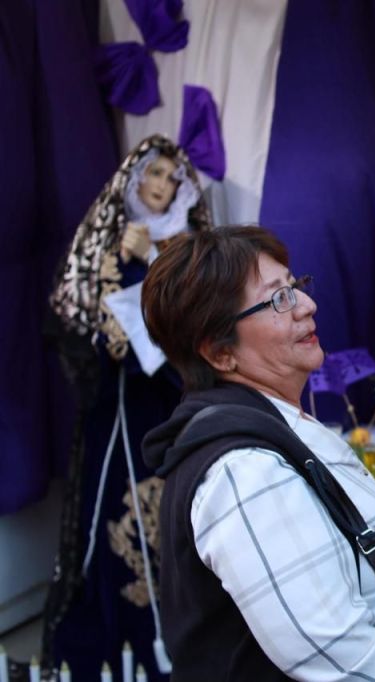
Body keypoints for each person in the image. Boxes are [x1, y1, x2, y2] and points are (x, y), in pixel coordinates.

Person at [139, 226, 375, 681]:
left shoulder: (276, 424)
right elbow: (340, 652)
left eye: (294, 287)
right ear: (220, 353)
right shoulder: (245, 472)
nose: (307, 305)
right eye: (277, 299)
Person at [44, 135, 211, 679]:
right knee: (108, 507)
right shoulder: (104, 237)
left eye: (171, 177)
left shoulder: (190, 243)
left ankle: (183, 631)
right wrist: (106, 328)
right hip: (118, 404)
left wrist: (153, 258)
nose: (160, 186)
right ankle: (120, 634)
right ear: (133, 179)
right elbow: (73, 311)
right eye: (152, 174)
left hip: (174, 401)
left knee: (180, 512)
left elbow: (203, 316)